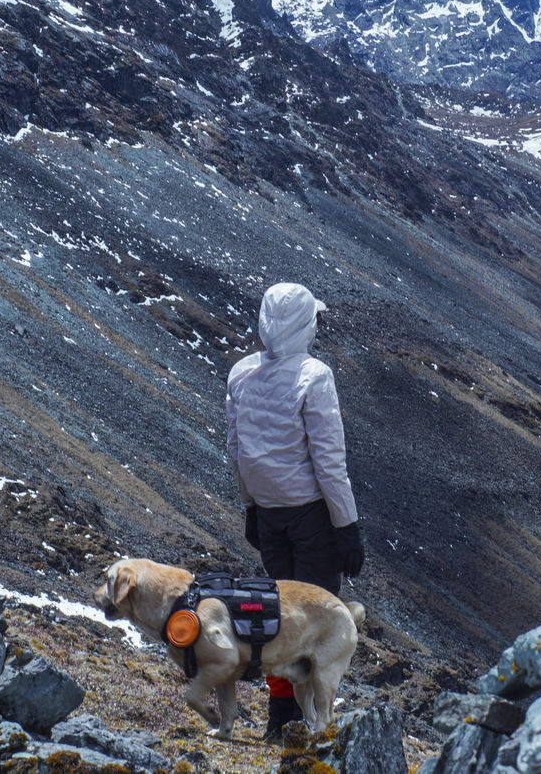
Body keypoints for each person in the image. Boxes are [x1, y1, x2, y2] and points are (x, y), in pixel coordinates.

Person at [226, 282, 364, 739]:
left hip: (268, 515)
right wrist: (347, 527)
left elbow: (236, 450)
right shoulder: (314, 376)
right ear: (305, 323)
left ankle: (278, 716)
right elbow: (328, 461)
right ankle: (313, 725)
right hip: (311, 520)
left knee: (276, 615)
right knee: (315, 619)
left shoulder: (241, 373)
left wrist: (250, 506)